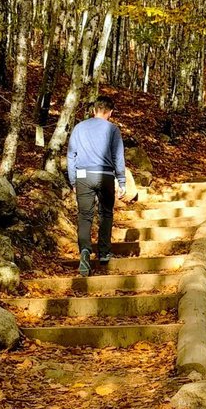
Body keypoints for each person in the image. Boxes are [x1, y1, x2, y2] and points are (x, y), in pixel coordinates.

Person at [66, 95, 131, 276]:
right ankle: (103, 252)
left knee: (85, 216)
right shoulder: (113, 129)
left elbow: (71, 156)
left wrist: (73, 181)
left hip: (83, 175)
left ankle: (85, 252)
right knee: (105, 213)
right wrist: (122, 181)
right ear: (110, 112)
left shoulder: (79, 128)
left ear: (94, 110)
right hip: (105, 175)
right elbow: (119, 157)